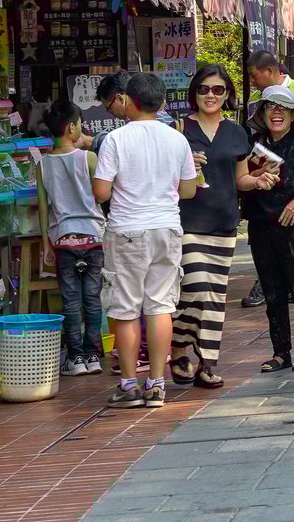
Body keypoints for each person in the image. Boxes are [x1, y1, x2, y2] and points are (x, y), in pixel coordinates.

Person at [92, 72, 198, 409]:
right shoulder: (177, 139)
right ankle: (156, 383)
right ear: (163, 102)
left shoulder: (115, 140)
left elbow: (101, 192)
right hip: (166, 228)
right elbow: (188, 190)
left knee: (125, 309)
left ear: (129, 101)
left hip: (126, 229)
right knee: (160, 306)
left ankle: (128, 384)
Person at [238, 84, 294, 373]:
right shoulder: (252, 146)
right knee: (272, 293)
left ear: (293, 115)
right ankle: (280, 352)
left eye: (283, 108)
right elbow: (240, 181)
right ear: (262, 113)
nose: (276, 112)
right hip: (261, 227)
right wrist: (254, 177)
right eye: (270, 107)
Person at [170, 64, 249, 390]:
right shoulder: (177, 129)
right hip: (187, 221)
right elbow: (163, 179)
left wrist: (259, 180)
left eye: (218, 90)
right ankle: (177, 348)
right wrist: (185, 165)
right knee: (197, 289)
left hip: (225, 222)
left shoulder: (237, 131)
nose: (211, 95)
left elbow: (241, 178)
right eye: (204, 89)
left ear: (228, 94)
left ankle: (206, 363)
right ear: (194, 93)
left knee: (214, 298)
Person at [37, 97, 104, 376]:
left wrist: (46, 243)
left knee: (70, 300)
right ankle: (93, 354)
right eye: (79, 124)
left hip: (63, 239)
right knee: (93, 297)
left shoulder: (41, 165)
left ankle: (75, 358)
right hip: (93, 237)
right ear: (71, 128)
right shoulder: (88, 158)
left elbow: (44, 208)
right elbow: (102, 194)